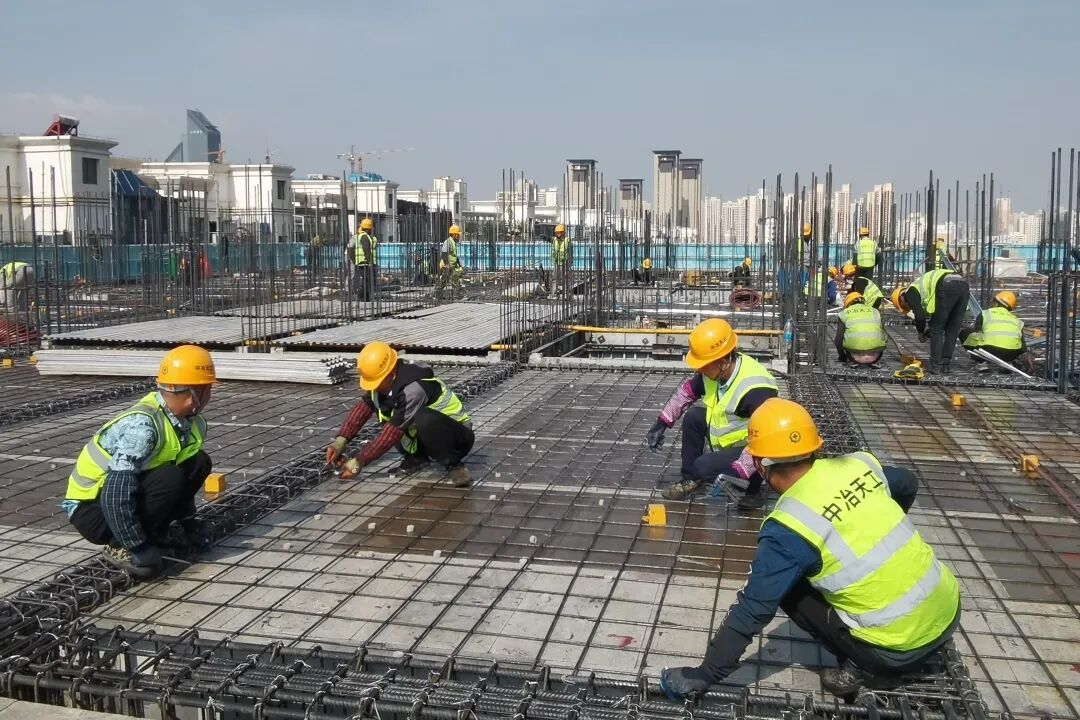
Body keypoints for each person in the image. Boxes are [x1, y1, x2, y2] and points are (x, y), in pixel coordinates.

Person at [660, 399, 960, 700]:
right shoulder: (859, 465)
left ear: (761, 464)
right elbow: (907, 482)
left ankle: (861, 666)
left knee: (786, 587)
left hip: (894, 650)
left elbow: (753, 609)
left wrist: (705, 674)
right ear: (815, 447)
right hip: (948, 612)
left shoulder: (789, 524)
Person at [63, 345, 216, 578]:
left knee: (198, 463)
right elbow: (115, 492)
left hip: (117, 501)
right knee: (171, 476)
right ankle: (120, 545)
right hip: (91, 511)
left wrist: (189, 523)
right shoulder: (142, 428)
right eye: (208, 389)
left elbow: (185, 482)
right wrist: (137, 546)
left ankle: (154, 532)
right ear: (194, 393)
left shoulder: (192, 423)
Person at [646, 319, 778, 509]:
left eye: (703, 365)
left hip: (753, 448)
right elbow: (685, 394)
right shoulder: (715, 371)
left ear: (722, 362)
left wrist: (739, 471)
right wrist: (661, 424)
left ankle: (754, 489)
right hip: (727, 442)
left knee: (704, 466)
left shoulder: (756, 389)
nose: (698, 369)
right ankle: (691, 479)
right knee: (693, 417)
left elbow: (769, 439)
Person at [327, 342, 474, 487]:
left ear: (391, 374)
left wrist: (359, 461)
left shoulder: (413, 390)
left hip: (456, 439)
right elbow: (363, 408)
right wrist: (341, 440)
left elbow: (392, 432)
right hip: (429, 438)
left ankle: (454, 465)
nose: (374, 387)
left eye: (377, 382)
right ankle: (418, 458)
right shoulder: (384, 385)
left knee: (422, 418)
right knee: (385, 409)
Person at [893, 267, 970, 374]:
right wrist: (928, 331)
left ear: (901, 298)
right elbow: (939, 320)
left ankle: (936, 366)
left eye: (905, 306)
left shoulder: (909, 293)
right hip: (963, 285)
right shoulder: (922, 291)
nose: (909, 307)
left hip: (946, 285)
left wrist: (920, 332)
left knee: (937, 330)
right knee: (952, 329)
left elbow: (920, 317)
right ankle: (945, 364)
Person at [960, 290, 1032, 370]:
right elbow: (1023, 346)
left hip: (988, 351)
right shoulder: (1016, 320)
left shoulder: (986, 313)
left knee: (964, 334)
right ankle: (1007, 363)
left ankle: (981, 360)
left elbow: (977, 332)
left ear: (996, 303)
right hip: (1011, 354)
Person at [836, 292, 886, 365]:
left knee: (845, 336)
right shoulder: (875, 311)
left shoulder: (844, 313)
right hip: (875, 357)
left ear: (848, 304)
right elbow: (884, 336)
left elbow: (838, 340)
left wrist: (842, 357)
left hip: (855, 357)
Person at [349, 217, 378, 301]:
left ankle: (366, 297)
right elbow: (366, 249)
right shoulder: (364, 237)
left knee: (368, 280)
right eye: (371, 228)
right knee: (367, 280)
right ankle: (361, 296)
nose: (372, 230)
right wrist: (370, 261)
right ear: (368, 229)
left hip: (363, 262)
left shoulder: (362, 236)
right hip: (365, 262)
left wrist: (355, 260)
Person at [437, 224, 464, 299]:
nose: (459, 236)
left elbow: (454, 255)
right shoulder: (448, 242)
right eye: (458, 235)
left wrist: (458, 263)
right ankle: (437, 295)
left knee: (456, 280)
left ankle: (457, 296)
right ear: (454, 234)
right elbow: (444, 253)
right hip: (446, 266)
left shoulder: (453, 242)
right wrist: (447, 264)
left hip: (452, 266)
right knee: (443, 281)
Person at [551, 224, 571, 296]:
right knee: (554, 278)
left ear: (563, 232)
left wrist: (570, 262)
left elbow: (570, 252)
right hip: (556, 262)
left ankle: (567, 293)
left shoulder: (567, 240)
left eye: (559, 232)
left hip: (565, 262)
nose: (558, 234)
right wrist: (554, 260)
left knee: (565, 278)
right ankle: (554, 293)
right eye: (557, 232)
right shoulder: (554, 240)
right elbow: (553, 250)